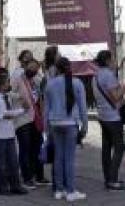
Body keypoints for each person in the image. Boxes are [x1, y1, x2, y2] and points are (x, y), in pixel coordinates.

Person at [44, 57, 88, 202]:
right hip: (71, 123)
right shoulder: (77, 83)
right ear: (70, 67)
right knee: (69, 158)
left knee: (58, 157)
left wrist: (46, 128)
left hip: (55, 123)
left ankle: (59, 190)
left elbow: (46, 108)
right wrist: (85, 125)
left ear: (56, 68)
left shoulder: (50, 84)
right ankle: (70, 191)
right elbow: (83, 107)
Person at [0, 70, 28, 196]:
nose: (8, 85)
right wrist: (20, 111)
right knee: (1, 163)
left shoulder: (4, 95)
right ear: (0, 85)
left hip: (9, 133)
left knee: (13, 161)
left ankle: (15, 185)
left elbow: (11, 99)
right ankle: (2, 187)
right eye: (6, 83)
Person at [92, 50, 125, 191]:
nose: (115, 62)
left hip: (102, 115)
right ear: (107, 61)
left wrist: (116, 70)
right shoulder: (108, 76)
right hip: (113, 117)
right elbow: (116, 96)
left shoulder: (96, 75)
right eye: (113, 59)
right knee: (119, 147)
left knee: (106, 148)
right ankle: (112, 180)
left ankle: (108, 178)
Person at [12, 57, 43, 189]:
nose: (33, 70)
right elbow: (8, 93)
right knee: (24, 148)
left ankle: (36, 175)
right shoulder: (17, 79)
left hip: (35, 118)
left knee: (36, 147)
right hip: (22, 119)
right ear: (25, 66)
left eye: (36, 68)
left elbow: (39, 96)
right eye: (31, 67)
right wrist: (19, 97)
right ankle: (26, 177)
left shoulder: (36, 80)